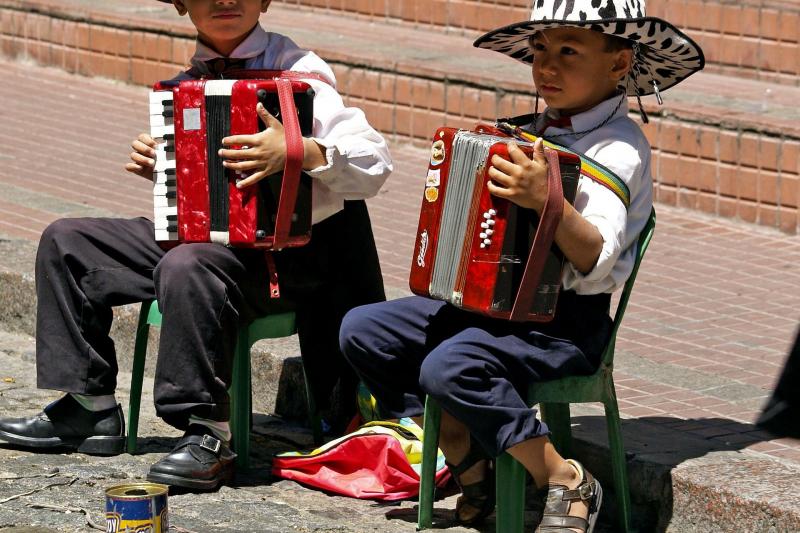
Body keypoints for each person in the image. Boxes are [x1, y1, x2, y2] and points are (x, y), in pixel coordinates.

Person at [339, 0, 703, 530]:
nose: (547, 67)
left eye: (569, 52)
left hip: (565, 326)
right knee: (364, 330)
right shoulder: (531, 130)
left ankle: (561, 476)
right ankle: (468, 456)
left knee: (450, 366)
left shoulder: (619, 148)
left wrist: (546, 201)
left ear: (620, 64)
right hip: (496, 313)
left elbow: (595, 258)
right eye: (540, 50)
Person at [0, 0, 392, 491]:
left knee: (188, 263)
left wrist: (297, 149)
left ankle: (208, 432)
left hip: (283, 261)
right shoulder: (188, 81)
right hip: (208, 247)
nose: (225, 0)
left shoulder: (302, 73)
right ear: (182, 3)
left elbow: (375, 162)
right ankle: (89, 408)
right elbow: (199, 195)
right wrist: (165, 165)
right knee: (68, 241)